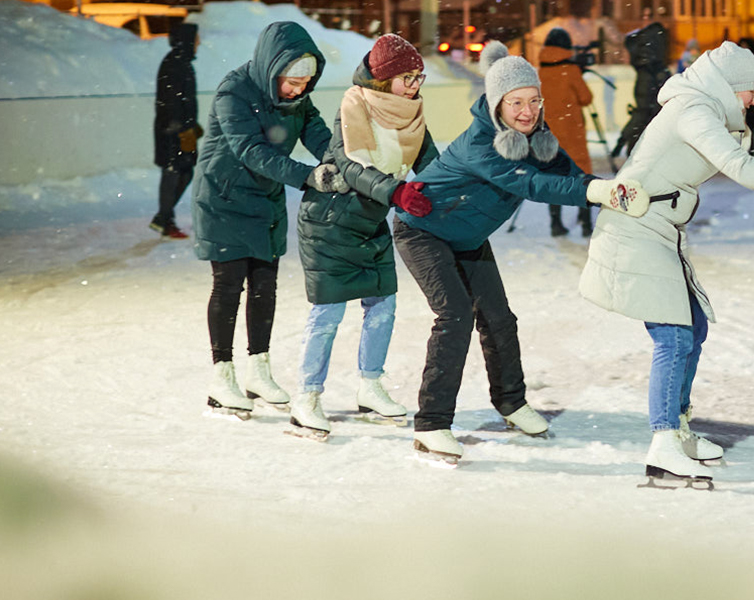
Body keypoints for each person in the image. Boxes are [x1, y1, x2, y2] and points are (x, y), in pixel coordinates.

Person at [578, 41, 754, 487]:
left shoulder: (701, 106)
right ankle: (664, 441)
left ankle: (679, 430)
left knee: (693, 327)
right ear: (729, 87)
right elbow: (741, 168)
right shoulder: (693, 110)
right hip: (635, 231)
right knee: (673, 335)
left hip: (657, 230)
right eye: (750, 91)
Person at [393, 41, 648, 467]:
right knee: (454, 315)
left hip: (468, 237)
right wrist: (595, 191)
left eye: (534, 101)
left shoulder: (538, 140)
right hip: (423, 232)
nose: (527, 112)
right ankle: (432, 424)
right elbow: (532, 184)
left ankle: (510, 403)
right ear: (497, 105)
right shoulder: (482, 144)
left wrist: (609, 189)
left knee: (499, 319)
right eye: (516, 103)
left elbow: (569, 176)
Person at [289, 34, 439, 441]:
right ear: (385, 79)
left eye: (418, 77)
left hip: (369, 222)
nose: (414, 86)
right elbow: (351, 167)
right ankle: (307, 396)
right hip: (329, 222)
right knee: (328, 315)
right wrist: (397, 192)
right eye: (407, 77)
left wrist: (462, 186)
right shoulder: (354, 108)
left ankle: (370, 385)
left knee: (383, 307)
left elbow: (434, 164)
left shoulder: (411, 114)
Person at [192, 21, 338, 420]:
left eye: (307, 82)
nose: (299, 90)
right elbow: (251, 150)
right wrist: (306, 176)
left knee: (264, 286)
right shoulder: (234, 92)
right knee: (228, 285)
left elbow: (320, 134)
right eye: (292, 82)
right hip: (223, 199)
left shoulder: (298, 99)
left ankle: (259, 370)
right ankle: (222, 377)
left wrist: (342, 162)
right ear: (273, 70)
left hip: (265, 200)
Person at [539, 27, 595, 237]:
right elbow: (586, 98)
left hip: (549, 133)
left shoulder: (540, 72)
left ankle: (556, 223)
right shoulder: (570, 70)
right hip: (572, 132)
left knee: (554, 176)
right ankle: (586, 223)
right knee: (581, 174)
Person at [150, 22, 201, 239]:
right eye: (196, 38)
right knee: (173, 172)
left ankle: (164, 218)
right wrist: (180, 129)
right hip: (174, 131)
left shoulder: (181, 62)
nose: (199, 42)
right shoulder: (175, 63)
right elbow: (171, 101)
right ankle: (163, 219)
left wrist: (190, 126)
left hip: (180, 129)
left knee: (183, 171)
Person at [611, 22, 671, 159]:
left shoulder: (647, 72)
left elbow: (641, 112)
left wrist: (623, 140)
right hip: (654, 138)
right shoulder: (657, 69)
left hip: (646, 138)